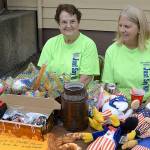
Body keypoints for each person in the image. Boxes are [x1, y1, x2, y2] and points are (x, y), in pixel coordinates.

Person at [38, 4, 100, 86]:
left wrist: (65, 93)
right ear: (59, 25)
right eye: (64, 22)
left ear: (78, 23)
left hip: (79, 94)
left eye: (72, 21)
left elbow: (85, 79)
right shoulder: (50, 43)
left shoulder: (88, 45)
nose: (68, 26)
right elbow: (42, 73)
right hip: (51, 92)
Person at [102, 5, 150, 102]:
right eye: (120, 25)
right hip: (120, 103)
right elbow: (108, 85)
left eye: (127, 26)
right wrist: (123, 103)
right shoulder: (112, 51)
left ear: (140, 29)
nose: (122, 30)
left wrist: (146, 106)